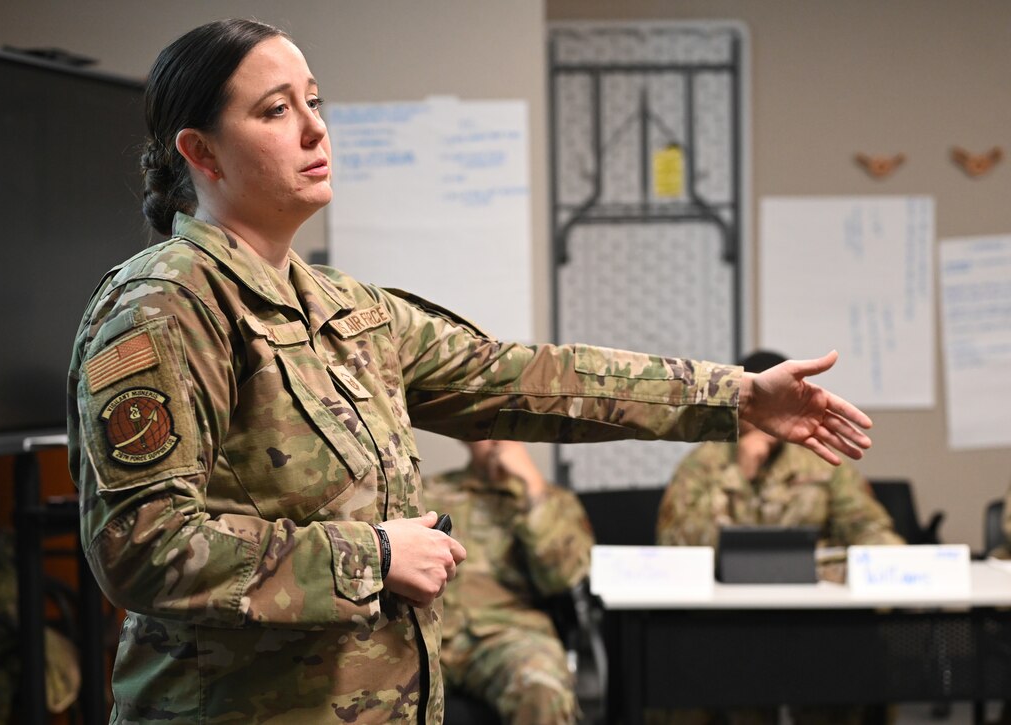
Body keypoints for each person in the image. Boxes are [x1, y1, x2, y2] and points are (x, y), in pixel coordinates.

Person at [66, 18, 873, 724]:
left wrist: (737, 396)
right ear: (201, 151)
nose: (315, 129)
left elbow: (529, 377)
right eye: (276, 110)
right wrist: (373, 557)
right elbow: (141, 547)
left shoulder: (346, 309)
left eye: (314, 101)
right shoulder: (165, 306)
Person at [655, 350, 902, 725]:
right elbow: (675, 544)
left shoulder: (818, 461)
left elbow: (869, 528)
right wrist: (741, 472)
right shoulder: (703, 465)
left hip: (812, 621)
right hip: (724, 625)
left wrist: (891, 565)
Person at [425, 440, 593, 725]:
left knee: (543, 688)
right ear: (465, 435)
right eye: (486, 428)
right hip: (431, 631)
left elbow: (563, 578)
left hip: (509, 633)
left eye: (508, 428)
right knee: (375, 683)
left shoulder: (553, 501)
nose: (496, 440)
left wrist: (533, 488)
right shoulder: (429, 492)